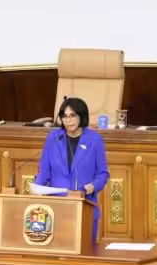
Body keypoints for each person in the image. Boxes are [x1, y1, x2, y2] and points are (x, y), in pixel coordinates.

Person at [33, 97, 109, 239]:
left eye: (72, 116)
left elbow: (103, 173)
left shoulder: (95, 140)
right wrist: (35, 194)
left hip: (84, 204)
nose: (68, 120)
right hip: (57, 207)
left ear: (82, 116)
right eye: (64, 116)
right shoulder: (53, 138)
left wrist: (94, 185)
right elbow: (44, 173)